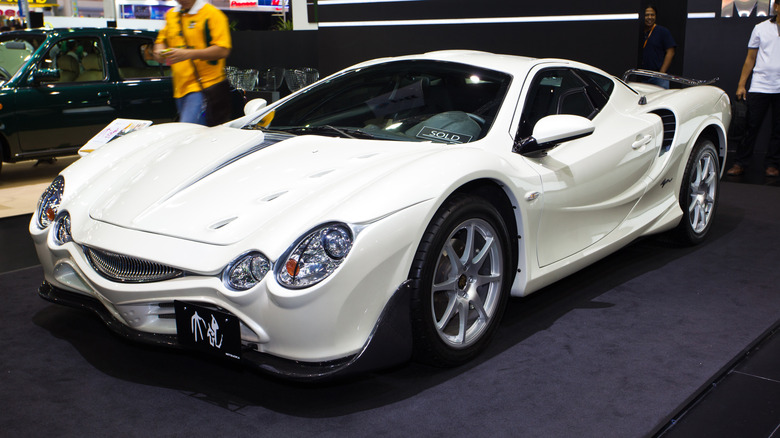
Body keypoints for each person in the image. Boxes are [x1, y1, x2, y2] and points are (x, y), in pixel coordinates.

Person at [153, 0, 231, 125]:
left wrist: (187, 54)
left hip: (204, 87)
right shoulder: (172, 14)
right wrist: (159, 52)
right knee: (193, 134)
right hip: (179, 89)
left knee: (188, 132)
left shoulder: (212, 14)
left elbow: (223, 50)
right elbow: (161, 41)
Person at [727, 1, 780, 178]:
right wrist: (742, 84)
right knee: (751, 126)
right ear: (777, 7)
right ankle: (740, 162)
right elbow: (750, 59)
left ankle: (772, 164)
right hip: (760, 85)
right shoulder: (760, 28)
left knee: (778, 129)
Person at [640, 4, 676, 89]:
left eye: (652, 15)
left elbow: (671, 52)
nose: (649, 17)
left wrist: (661, 73)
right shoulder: (639, 31)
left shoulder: (662, 31)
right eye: (646, 15)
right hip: (640, 76)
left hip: (658, 78)